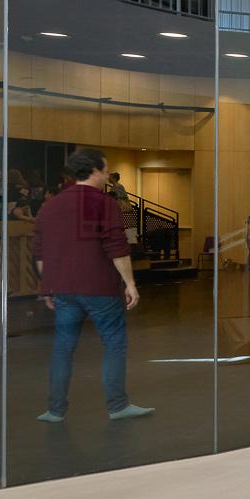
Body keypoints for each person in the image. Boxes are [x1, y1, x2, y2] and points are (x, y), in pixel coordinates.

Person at [30, 147, 151, 423]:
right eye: (106, 169)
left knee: (63, 347)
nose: (108, 174)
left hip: (63, 289)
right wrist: (130, 283)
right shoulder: (103, 203)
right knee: (114, 343)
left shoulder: (51, 205)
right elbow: (116, 247)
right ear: (94, 170)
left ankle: (55, 409)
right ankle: (118, 406)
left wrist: (47, 286)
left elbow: (39, 251)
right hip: (100, 287)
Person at [106, 170, 138, 248]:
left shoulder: (118, 186)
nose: (108, 178)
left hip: (120, 207)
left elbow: (123, 196)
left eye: (110, 177)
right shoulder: (114, 187)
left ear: (114, 178)